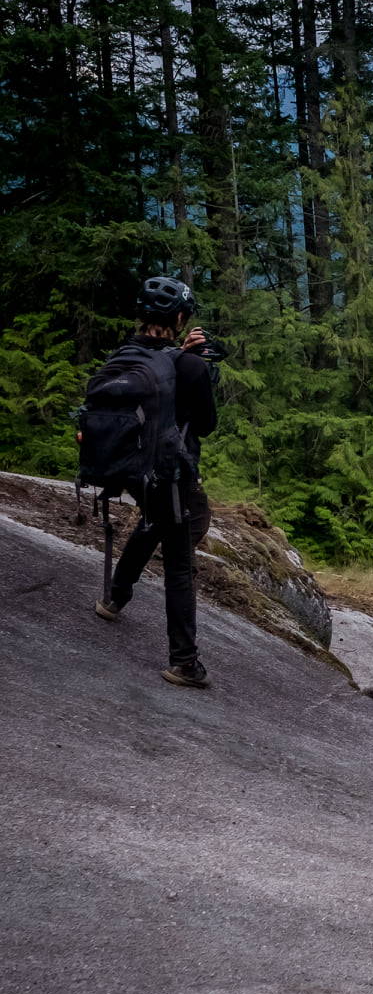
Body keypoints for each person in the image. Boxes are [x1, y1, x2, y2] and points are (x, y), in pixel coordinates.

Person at [92, 276, 221, 689]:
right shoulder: (188, 364)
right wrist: (199, 367)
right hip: (169, 472)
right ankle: (184, 662)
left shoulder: (126, 354)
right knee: (180, 562)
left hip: (130, 469)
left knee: (155, 519)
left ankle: (116, 595)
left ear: (141, 316)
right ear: (181, 318)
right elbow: (206, 424)